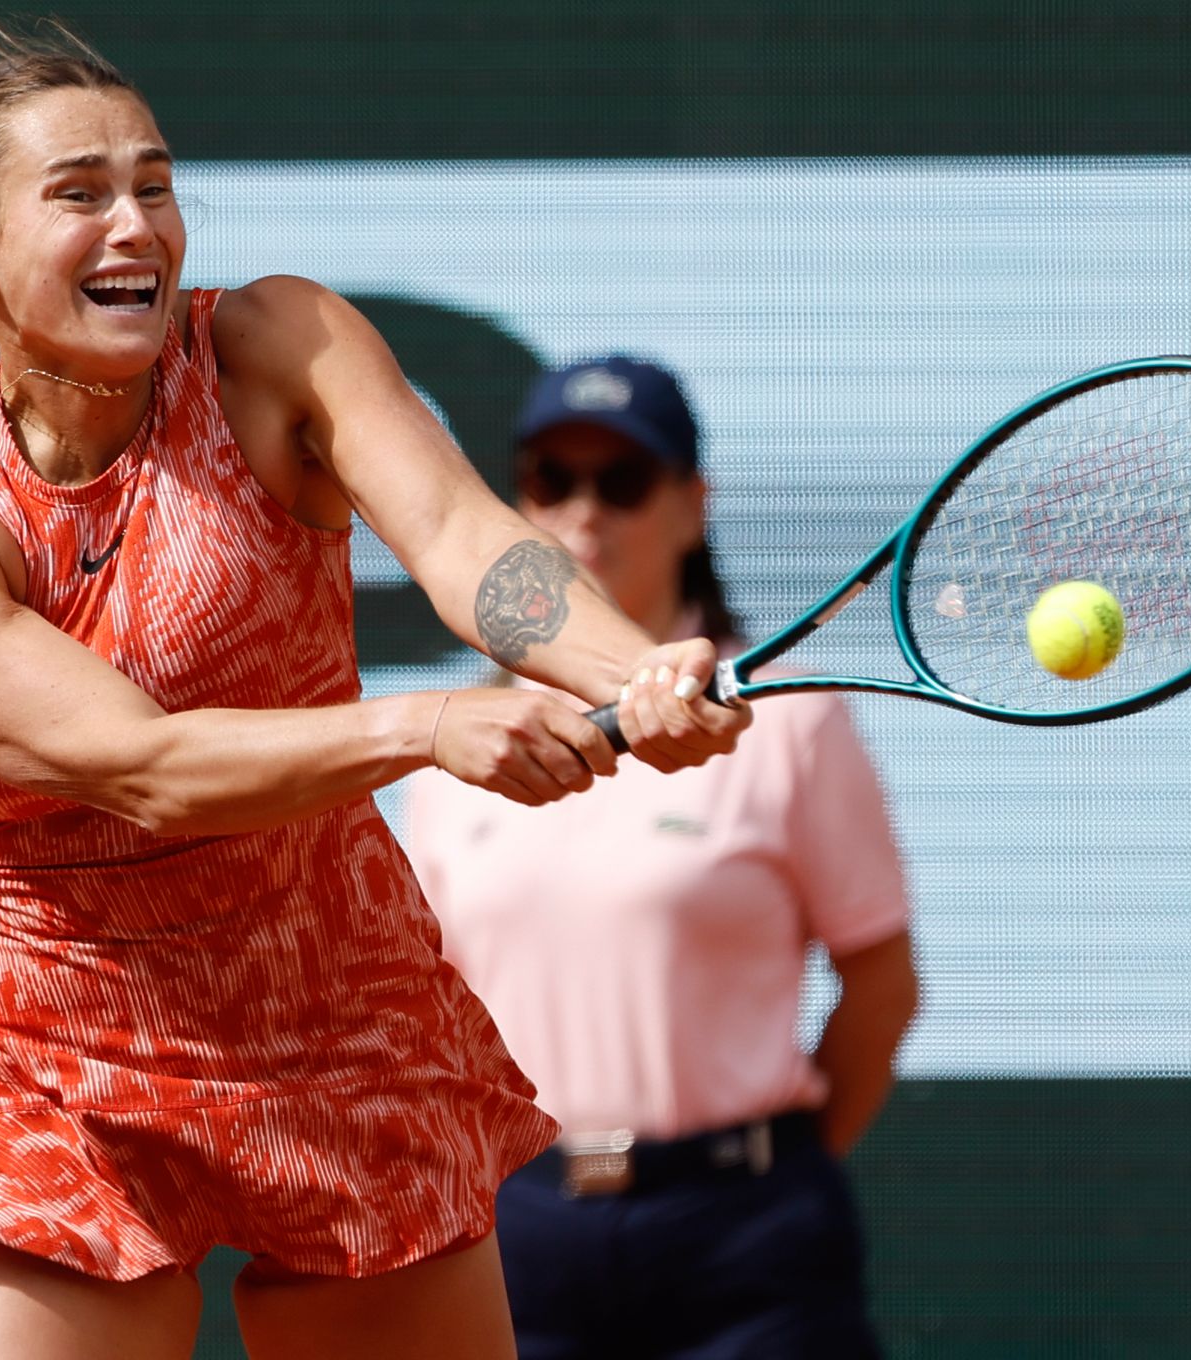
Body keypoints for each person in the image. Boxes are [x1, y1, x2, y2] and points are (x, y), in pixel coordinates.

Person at [0, 12, 748, 1360]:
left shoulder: (278, 344)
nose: (134, 222)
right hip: (68, 1069)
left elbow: (472, 547)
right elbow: (145, 766)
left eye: (154, 182)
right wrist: (427, 724)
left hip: (341, 1025)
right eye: (79, 193)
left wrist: (635, 668)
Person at [406, 356, 920, 1358]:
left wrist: (756, 1176)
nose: (584, 513)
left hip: (746, 1243)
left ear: (693, 507)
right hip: (523, 1233)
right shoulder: (467, 742)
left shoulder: (794, 721)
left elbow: (883, 986)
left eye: (624, 481)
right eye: (551, 480)